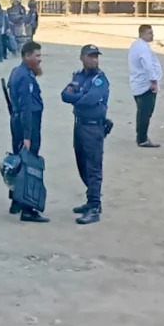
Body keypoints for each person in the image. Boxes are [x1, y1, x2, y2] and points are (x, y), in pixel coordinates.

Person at [62, 45, 110, 225]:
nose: (94, 60)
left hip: (93, 128)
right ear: (82, 57)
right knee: (82, 165)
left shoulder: (100, 79)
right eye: (90, 56)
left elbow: (90, 100)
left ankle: (95, 206)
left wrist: (77, 97)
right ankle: (91, 200)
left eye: (96, 57)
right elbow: (64, 95)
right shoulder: (78, 76)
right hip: (79, 125)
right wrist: (81, 97)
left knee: (93, 168)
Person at [6, 41, 49, 223]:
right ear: (26, 56)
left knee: (19, 161)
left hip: (18, 121)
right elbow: (26, 108)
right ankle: (28, 209)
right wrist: (27, 136)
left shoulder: (18, 71)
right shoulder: (24, 77)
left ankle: (16, 202)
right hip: (27, 123)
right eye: (36, 56)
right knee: (28, 166)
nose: (40, 59)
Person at [128, 25, 162, 148]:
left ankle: (141, 136)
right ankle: (142, 138)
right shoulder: (143, 48)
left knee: (142, 112)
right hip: (145, 85)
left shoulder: (136, 45)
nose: (152, 35)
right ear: (142, 34)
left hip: (138, 83)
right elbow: (148, 65)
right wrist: (153, 81)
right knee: (145, 113)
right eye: (149, 33)